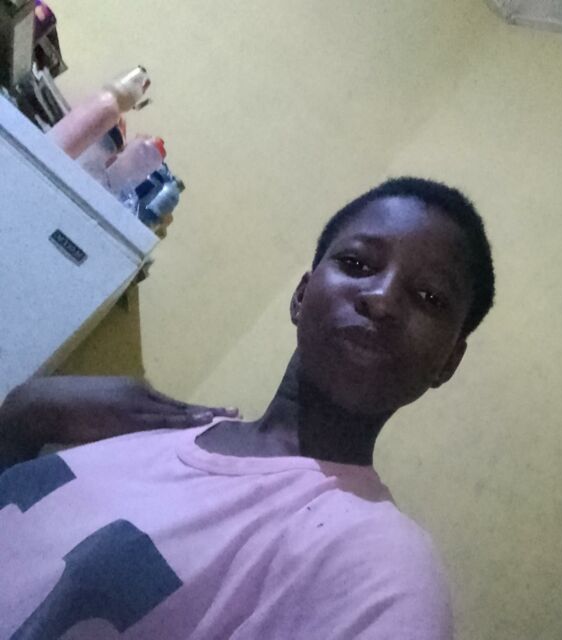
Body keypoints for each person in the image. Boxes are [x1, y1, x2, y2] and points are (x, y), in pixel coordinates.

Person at [0, 177, 495, 640]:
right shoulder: (133, 425)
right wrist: (22, 418)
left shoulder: (385, 569)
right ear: (302, 295)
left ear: (449, 361)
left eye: (429, 297)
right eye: (358, 264)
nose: (382, 300)